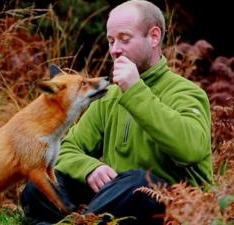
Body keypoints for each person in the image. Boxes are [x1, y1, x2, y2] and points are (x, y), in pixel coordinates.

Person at [21, 0, 213, 224]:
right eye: (111, 41)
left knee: (140, 181)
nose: (114, 50)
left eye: (124, 39)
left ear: (154, 37)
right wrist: (91, 168)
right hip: (116, 199)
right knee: (39, 185)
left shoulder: (186, 92)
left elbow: (192, 149)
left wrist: (135, 91)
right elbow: (66, 150)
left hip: (170, 205)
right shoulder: (110, 97)